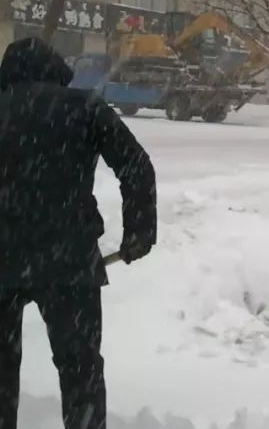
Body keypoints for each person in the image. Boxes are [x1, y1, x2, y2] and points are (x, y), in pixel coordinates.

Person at [0, 37, 157, 429]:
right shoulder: (84, 107)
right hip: (68, 261)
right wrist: (139, 231)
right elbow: (136, 165)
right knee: (80, 370)